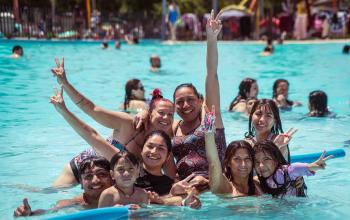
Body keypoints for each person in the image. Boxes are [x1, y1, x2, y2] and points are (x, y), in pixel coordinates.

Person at [49, 89, 200, 208]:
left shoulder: (154, 179)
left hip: (106, 175)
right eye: (150, 146)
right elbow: (92, 134)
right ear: (140, 151)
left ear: (168, 155)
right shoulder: (129, 165)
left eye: (160, 148)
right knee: (55, 195)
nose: (154, 151)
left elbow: (174, 197)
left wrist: (182, 198)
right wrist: (63, 110)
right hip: (89, 166)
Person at [50, 58, 175, 187]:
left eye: (170, 114)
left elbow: (171, 180)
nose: (166, 118)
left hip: (108, 181)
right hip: (83, 167)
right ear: (150, 111)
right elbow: (92, 109)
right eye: (161, 113)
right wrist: (65, 83)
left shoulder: (162, 143)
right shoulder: (128, 124)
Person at [14, 156, 113, 216]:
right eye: (88, 176)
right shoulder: (75, 203)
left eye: (102, 174)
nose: (95, 180)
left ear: (112, 178)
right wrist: (30, 214)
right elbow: (49, 212)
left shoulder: (123, 194)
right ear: (81, 183)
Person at [204, 105, 262, 196]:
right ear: (228, 163)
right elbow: (213, 162)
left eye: (247, 159)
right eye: (237, 159)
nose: (243, 164)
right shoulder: (225, 187)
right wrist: (208, 132)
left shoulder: (258, 184)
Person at [254, 141, 333, 197]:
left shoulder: (282, 173)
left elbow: (294, 169)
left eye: (266, 159)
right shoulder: (262, 180)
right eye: (257, 162)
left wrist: (311, 166)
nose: (261, 165)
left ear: (276, 160)